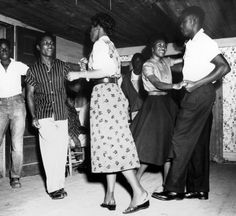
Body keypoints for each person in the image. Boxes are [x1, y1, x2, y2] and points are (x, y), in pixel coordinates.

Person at [67, 12, 149, 214]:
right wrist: (87, 68)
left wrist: (80, 73)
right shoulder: (110, 46)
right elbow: (112, 74)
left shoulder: (99, 45)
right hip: (111, 95)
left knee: (114, 146)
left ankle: (139, 193)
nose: (89, 33)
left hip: (105, 98)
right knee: (108, 146)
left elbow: (103, 73)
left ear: (98, 27)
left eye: (91, 29)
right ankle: (110, 196)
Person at [152, 6, 231, 201]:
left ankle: (174, 189)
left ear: (193, 21)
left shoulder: (203, 41)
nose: (180, 26)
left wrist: (196, 84)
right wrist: (168, 66)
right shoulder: (193, 43)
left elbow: (224, 67)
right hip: (203, 94)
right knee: (198, 142)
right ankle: (199, 188)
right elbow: (189, 67)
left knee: (179, 139)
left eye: (183, 22)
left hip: (198, 94)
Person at [25, 32, 82, 200]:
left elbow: (74, 86)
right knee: (49, 152)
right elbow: (29, 95)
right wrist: (33, 116)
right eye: (45, 43)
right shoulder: (33, 70)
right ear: (38, 47)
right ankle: (53, 188)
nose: (50, 46)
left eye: (51, 43)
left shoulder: (62, 66)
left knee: (60, 151)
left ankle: (59, 185)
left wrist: (82, 75)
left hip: (61, 113)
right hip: (43, 115)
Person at [130, 37, 184, 190]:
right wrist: (175, 85)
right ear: (152, 49)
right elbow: (156, 83)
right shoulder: (148, 65)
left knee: (168, 145)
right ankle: (136, 178)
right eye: (159, 45)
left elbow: (181, 59)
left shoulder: (166, 61)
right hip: (155, 105)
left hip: (168, 104)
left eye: (164, 45)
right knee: (152, 145)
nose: (163, 47)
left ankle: (167, 183)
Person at [0, 38, 29, 188]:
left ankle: (15, 177)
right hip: (0, 105)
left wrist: (25, 90)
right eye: (1, 49)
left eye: (6, 48)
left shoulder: (18, 65)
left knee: (17, 144)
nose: (3, 51)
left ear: (10, 50)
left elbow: (32, 75)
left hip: (17, 104)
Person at [121, 53, 147, 121]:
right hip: (134, 112)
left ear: (143, 63)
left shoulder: (148, 76)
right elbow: (123, 98)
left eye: (140, 61)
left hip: (148, 110)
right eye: (135, 61)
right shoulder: (126, 79)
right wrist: (126, 114)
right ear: (132, 63)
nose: (137, 64)